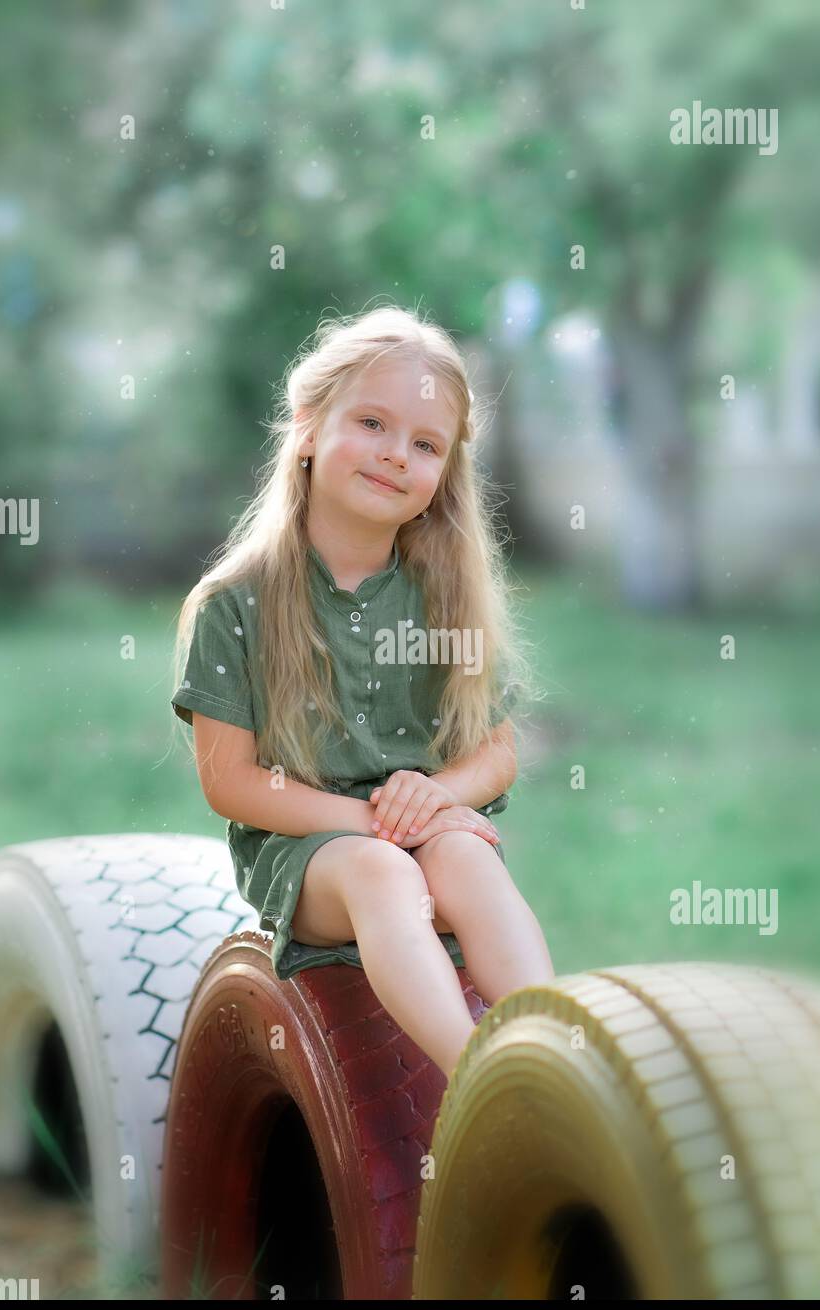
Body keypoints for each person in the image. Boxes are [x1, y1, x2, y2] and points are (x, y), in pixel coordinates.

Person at [169, 304, 555, 1080]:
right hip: (309, 853)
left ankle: (554, 1054)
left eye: (425, 444)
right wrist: (373, 825)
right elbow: (230, 782)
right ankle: (478, 1075)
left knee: (468, 859)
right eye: (372, 423)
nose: (395, 456)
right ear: (309, 427)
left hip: (421, 829)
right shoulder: (236, 603)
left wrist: (438, 794)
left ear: (445, 472)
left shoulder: (445, 596)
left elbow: (496, 750)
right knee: (386, 872)